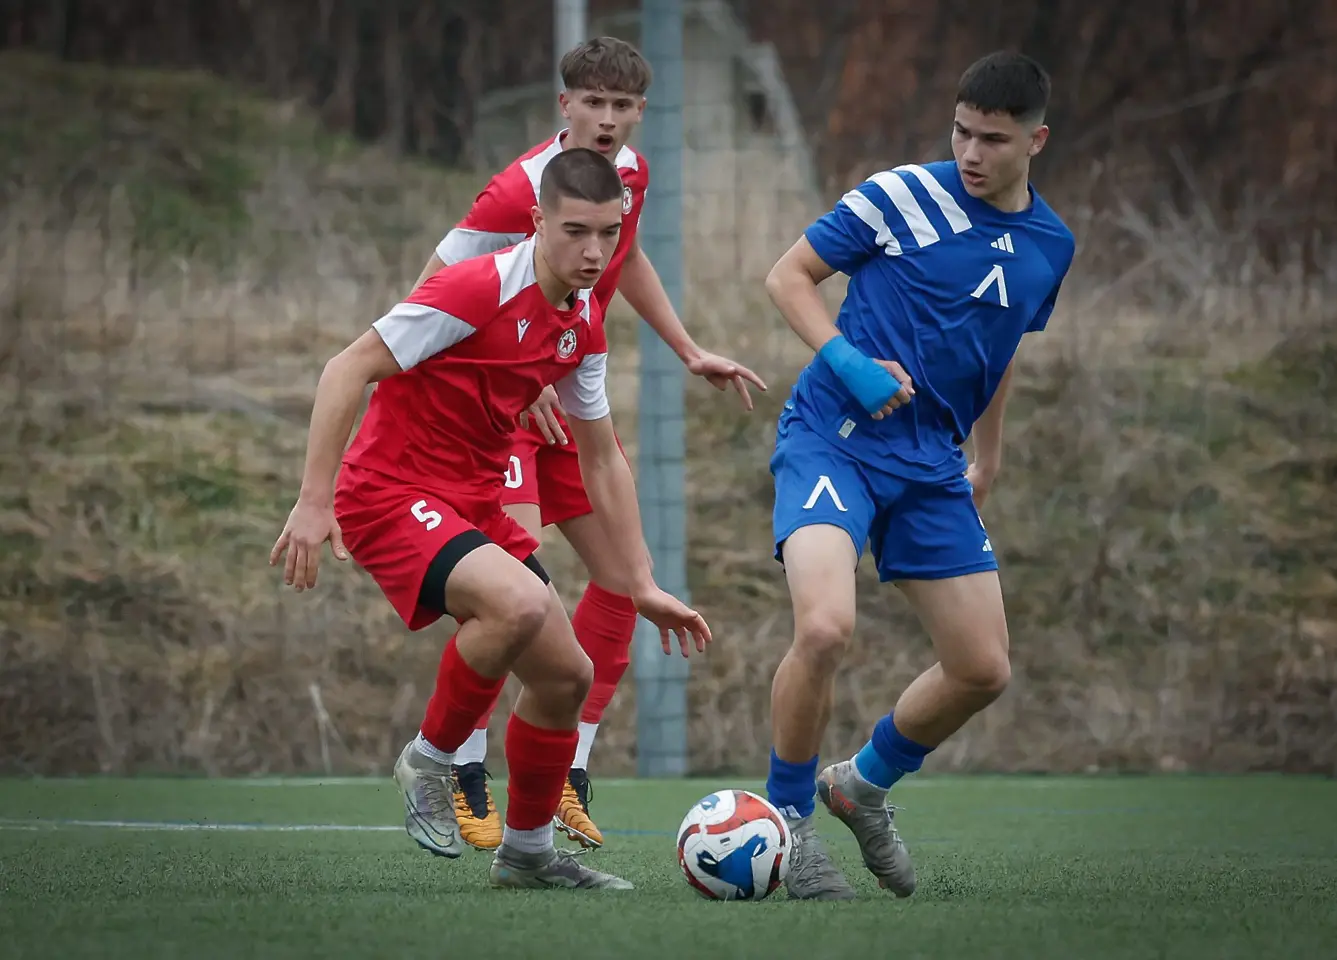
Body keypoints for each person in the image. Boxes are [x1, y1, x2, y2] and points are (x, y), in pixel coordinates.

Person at [269, 147, 711, 891]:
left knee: (567, 676)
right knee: (520, 602)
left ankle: (527, 854)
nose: (593, 251)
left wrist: (638, 581)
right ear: (536, 221)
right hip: (386, 491)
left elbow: (601, 460)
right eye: (575, 231)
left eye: (608, 233)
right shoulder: (475, 288)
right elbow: (346, 369)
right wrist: (313, 501)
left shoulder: (583, 323)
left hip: (469, 503)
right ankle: (430, 761)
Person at [411, 35, 765, 851]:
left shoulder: (627, 179)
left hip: (573, 398)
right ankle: (462, 766)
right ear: (563, 105)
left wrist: (686, 348)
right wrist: (520, 369)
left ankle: (568, 768)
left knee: (625, 575)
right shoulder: (514, 193)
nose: (606, 121)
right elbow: (432, 292)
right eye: (592, 103)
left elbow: (625, 259)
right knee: (514, 575)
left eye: (622, 106)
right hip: (500, 413)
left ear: (641, 111)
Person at [760, 51, 1075, 900]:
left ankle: (859, 787)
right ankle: (784, 825)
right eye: (962, 132)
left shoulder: (1051, 244)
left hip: (932, 464)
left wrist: (989, 452)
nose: (972, 152)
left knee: (982, 669)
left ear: (1034, 142)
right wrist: (849, 361)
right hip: (832, 435)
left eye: (994, 140)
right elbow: (786, 278)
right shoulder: (899, 195)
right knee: (824, 628)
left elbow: (1001, 347)